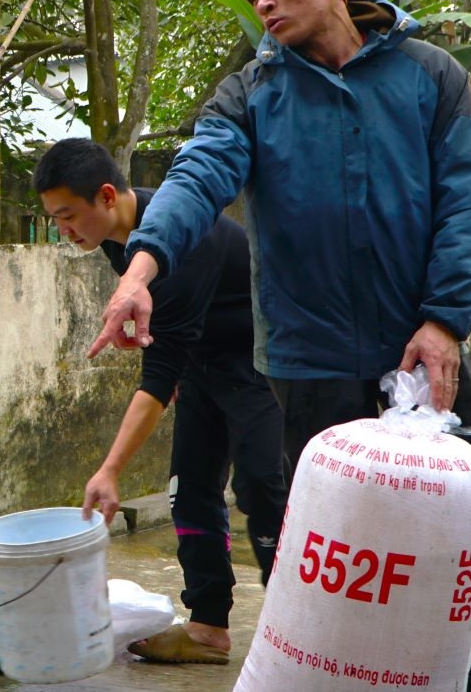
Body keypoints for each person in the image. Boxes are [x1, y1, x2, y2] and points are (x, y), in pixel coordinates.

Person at [90, 0, 471, 692]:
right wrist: (140, 270)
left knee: (454, 539)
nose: (262, 2)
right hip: (311, 362)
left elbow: (466, 204)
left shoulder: (428, 76)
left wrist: (444, 321)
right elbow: (197, 178)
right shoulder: (253, 92)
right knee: (334, 545)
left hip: (420, 352)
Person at [35, 138, 287, 663]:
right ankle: (207, 628)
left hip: (256, 362)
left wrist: (109, 470)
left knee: (262, 487)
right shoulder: (116, 239)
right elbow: (168, 351)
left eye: (67, 216)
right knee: (189, 493)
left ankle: (297, 628)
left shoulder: (179, 237)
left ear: (107, 197)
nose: (63, 230)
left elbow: (158, 379)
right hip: (202, 365)